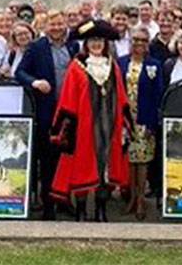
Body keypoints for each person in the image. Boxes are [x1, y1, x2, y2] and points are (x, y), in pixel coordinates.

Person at [50, 20, 130, 222]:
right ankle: (82, 211)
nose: (96, 44)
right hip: (84, 128)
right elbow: (67, 99)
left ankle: (101, 210)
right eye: (92, 40)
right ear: (86, 43)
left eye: (100, 40)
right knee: (82, 168)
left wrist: (126, 126)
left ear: (105, 43)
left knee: (105, 167)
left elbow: (121, 97)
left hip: (109, 126)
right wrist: (64, 132)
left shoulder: (113, 66)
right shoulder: (77, 67)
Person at [16, 10, 78, 220]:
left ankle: (65, 201)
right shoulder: (36, 47)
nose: (57, 28)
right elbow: (20, 72)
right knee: (48, 161)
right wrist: (35, 82)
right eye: (53, 24)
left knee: (67, 160)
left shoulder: (73, 46)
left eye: (60, 24)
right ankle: (48, 206)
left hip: (70, 113)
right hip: (47, 114)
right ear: (46, 26)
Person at [117, 26, 163, 220]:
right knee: (129, 159)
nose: (139, 44)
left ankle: (141, 200)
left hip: (144, 118)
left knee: (142, 160)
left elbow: (158, 94)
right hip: (125, 119)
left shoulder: (154, 64)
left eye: (143, 40)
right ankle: (132, 196)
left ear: (147, 44)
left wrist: (154, 123)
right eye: (135, 39)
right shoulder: (121, 63)